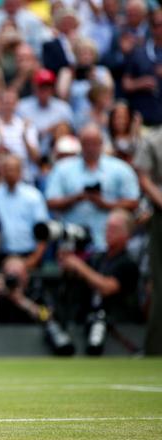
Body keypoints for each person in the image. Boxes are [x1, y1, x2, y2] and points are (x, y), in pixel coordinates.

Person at [57, 209, 141, 354]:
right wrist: (68, 263)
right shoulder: (97, 258)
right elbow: (77, 277)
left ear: (127, 235)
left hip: (118, 323)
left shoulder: (128, 262)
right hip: (87, 319)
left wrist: (79, 266)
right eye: (107, 227)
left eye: (114, 228)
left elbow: (108, 287)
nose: (108, 232)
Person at [45, 123, 139, 252]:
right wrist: (76, 198)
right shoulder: (62, 168)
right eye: (86, 143)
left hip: (108, 245)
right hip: (73, 243)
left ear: (102, 143)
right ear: (80, 143)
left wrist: (105, 204)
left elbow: (133, 202)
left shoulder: (120, 169)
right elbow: (50, 202)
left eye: (94, 143)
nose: (90, 148)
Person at [133, 127, 162, 355]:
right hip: (160, 216)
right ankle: (155, 350)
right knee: (159, 285)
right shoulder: (153, 139)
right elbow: (143, 177)